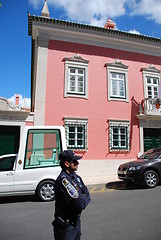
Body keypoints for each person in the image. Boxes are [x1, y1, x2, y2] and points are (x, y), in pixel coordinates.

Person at [52, 150, 91, 240]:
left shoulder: (75, 177)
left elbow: (86, 192)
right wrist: (83, 198)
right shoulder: (64, 181)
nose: (77, 163)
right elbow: (80, 203)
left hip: (75, 221)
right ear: (67, 164)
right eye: (74, 161)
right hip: (66, 225)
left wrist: (83, 197)